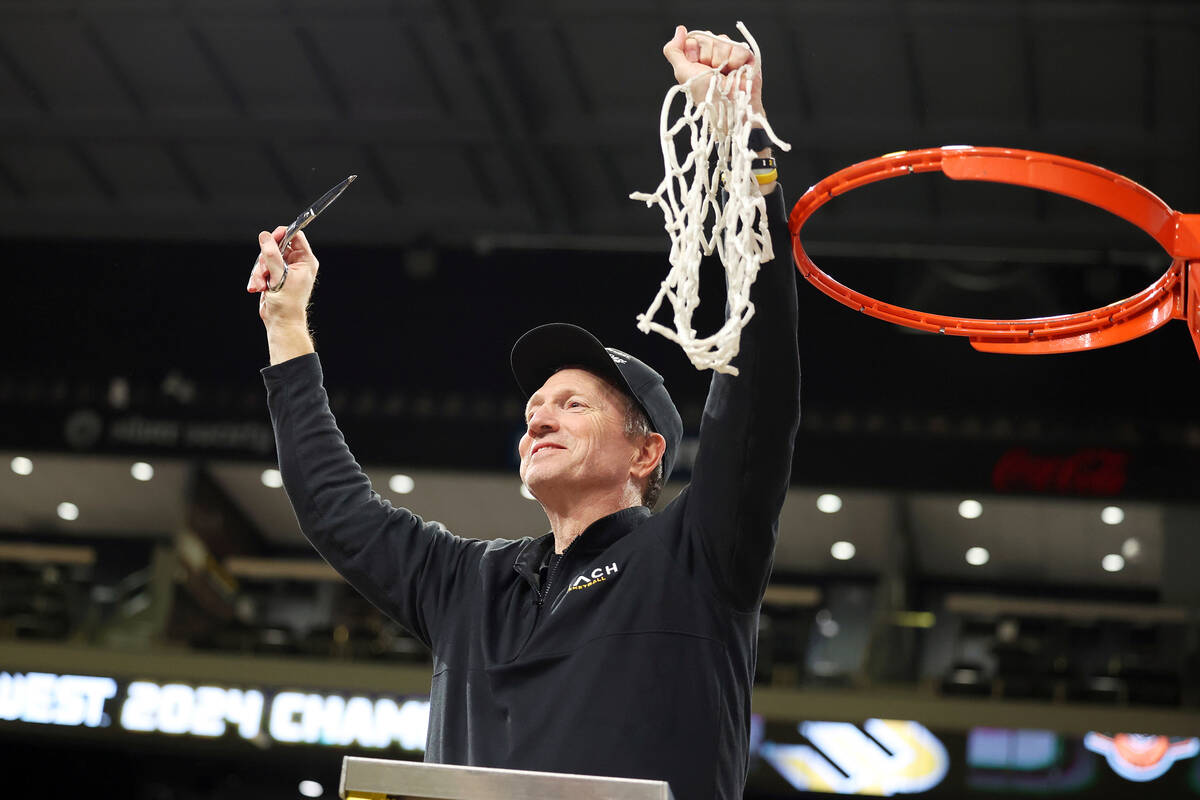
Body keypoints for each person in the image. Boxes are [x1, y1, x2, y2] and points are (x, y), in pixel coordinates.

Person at [246, 26, 800, 800]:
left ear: (647, 454)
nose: (538, 418)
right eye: (535, 407)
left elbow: (760, 385)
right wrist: (286, 327)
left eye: (573, 404)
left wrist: (746, 149)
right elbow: (333, 507)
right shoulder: (469, 582)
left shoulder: (695, 557)